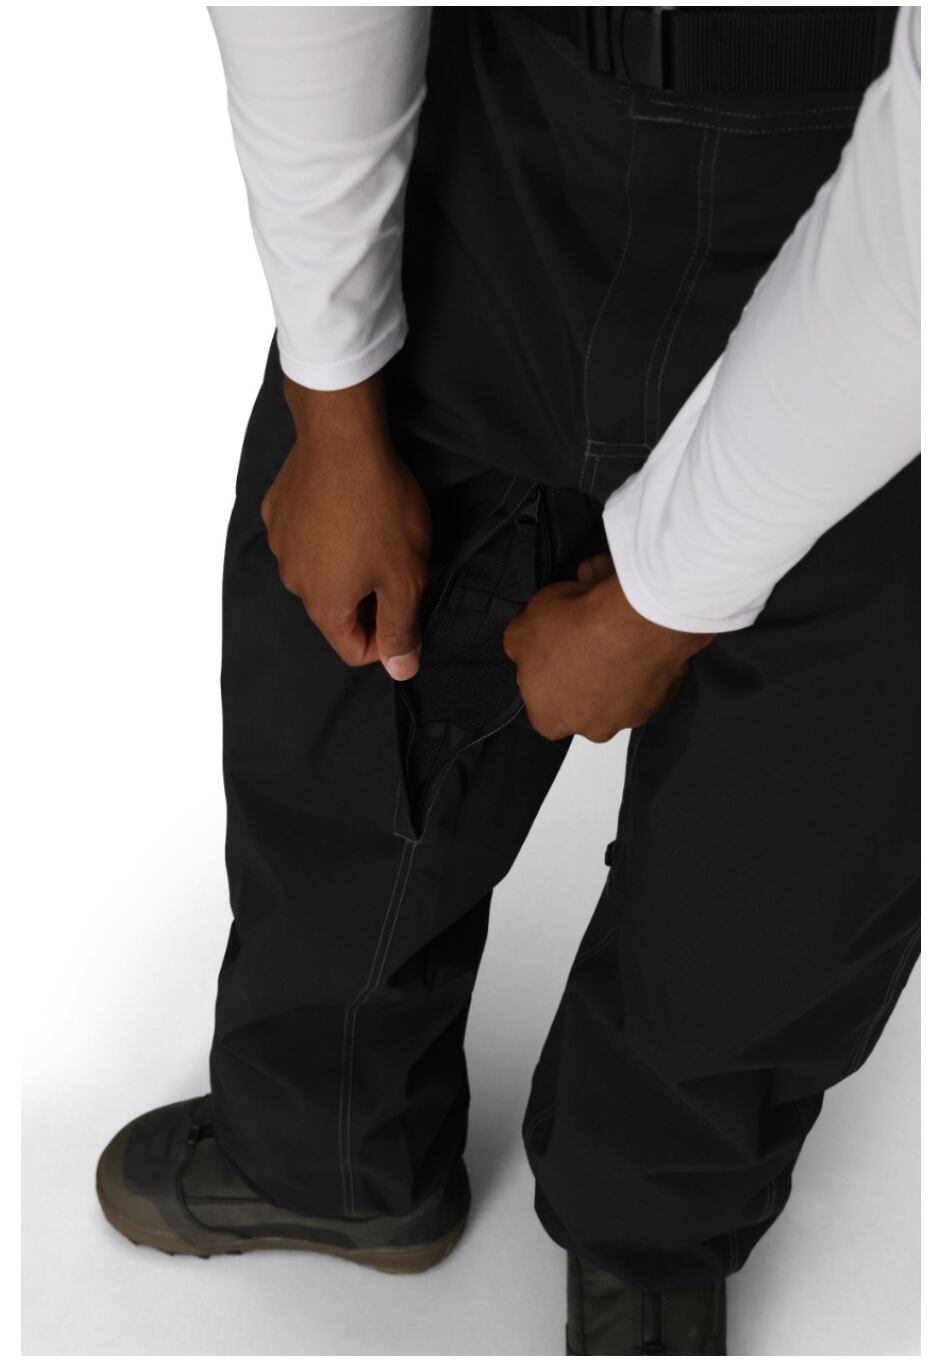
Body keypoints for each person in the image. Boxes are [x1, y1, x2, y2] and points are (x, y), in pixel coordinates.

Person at [95, 6, 920, 1354]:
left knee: (799, 838)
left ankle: (650, 1229)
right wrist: (334, 403)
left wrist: (660, 596)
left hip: (896, 266)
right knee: (345, 694)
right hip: (524, 137)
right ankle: (327, 1150)